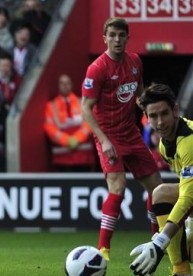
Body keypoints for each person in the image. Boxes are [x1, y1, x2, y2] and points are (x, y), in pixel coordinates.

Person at [81, 17, 162, 261]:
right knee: (118, 187)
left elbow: (138, 94)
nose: (117, 39)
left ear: (127, 37)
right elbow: (85, 108)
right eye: (112, 35)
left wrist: (149, 115)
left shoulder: (135, 61)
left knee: (157, 189)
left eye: (121, 35)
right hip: (110, 136)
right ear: (105, 38)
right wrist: (104, 141)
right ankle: (104, 249)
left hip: (132, 134)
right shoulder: (97, 68)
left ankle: (157, 242)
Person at [129, 84, 193, 276]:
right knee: (160, 193)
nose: (159, 122)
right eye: (153, 116)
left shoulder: (188, 141)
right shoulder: (165, 146)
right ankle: (180, 271)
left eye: (164, 114)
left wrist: (161, 241)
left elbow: (188, 196)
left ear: (175, 110)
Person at [44, 74, 94, 172]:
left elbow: (89, 124)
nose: (65, 86)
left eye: (67, 83)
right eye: (62, 83)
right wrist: (66, 140)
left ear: (71, 85)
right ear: (58, 86)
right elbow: (49, 127)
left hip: (83, 158)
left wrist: (77, 138)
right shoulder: (51, 106)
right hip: (62, 160)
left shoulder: (82, 103)